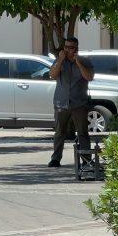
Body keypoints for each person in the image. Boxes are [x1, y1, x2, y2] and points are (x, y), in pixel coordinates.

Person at [48, 37, 95, 167]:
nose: (69, 50)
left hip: (79, 103)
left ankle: (86, 159)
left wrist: (78, 62)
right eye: (66, 47)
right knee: (59, 132)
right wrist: (61, 60)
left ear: (77, 48)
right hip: (61, 103)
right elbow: (53, 75)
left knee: (82, 133)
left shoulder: (85, 61)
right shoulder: (59, 62)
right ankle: (55, 159)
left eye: (72, 47)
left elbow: (89, 77)